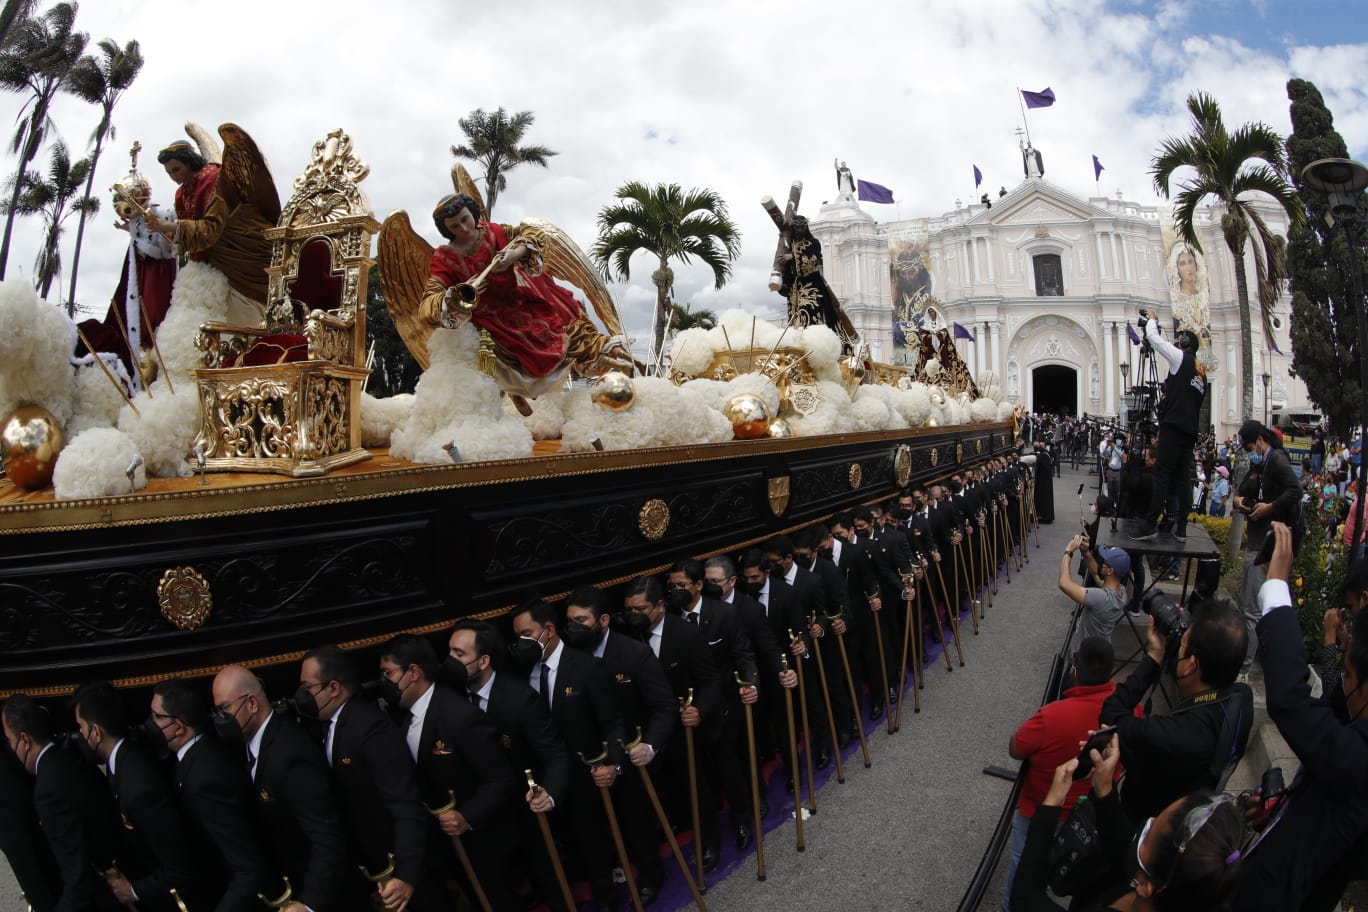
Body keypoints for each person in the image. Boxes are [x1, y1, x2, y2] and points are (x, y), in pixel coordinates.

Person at [1232, 527, 1368, 910]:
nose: (1344, 682)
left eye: (1351, 677)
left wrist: (1276, 589)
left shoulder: (1357, 759)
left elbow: (1293, 703)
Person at [420, 193, 627, 398]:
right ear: (446, 229)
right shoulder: (444, 258)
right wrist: (458, 295)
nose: (464, 229)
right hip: (488, 321)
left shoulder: (495, 233)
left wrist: (514, 254)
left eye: (465, 219)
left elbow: (533, 234)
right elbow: (428, 303)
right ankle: (507, 394)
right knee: (485, 351)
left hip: (519, 303)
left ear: (472, 213)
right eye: (455, 226)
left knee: (561, 323)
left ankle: (525, 390)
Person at [1011, 734, 1248, 911]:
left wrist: (1051, 803)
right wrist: (1104, 790)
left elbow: (1025, 898)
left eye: (1150, 830)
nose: (1144, 825)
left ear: (1146, 886)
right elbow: (1124, 847)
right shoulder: (1185, 885)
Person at [377, 634, 522, 911]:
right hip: (444, 847)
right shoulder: (401, 716)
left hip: (481, 845)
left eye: (388, 673)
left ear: (414, 672)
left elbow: (501, 779)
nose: (385, 682)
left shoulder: (460, 716)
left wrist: (467, 816)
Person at [296, 645, 437, 912]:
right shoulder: (329, 726)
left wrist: (405, 875)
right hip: (373, 867)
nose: (303, 696)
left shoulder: (372, 730)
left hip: (401, 872)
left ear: (334, 688)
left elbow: (406, 805)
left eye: (308, 688)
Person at [1099, 600, 1253, 823]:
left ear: (1191, 665)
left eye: (1181, 645)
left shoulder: (1171, 736)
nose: (1177, 647)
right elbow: (1188, 671)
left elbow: (1110, 715)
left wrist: (1153, 655)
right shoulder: (1241, 700)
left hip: (1139, 830)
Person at [210, 664, 346, 912]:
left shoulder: (291, 754)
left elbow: (326, 836)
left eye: (225, 708)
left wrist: (309, 904)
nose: (220, 718)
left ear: (252, 703)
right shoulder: (246, 747)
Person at [1002, 637, 1119, 909]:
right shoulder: (1128, 710)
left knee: (1024, 864)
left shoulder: (1052, 715)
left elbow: (1016, 748)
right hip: (1089, 811)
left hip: (1041, 807)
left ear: (1074, 670)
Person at [147, 677, 278, 911]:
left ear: (178, 727)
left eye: (158, 717)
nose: (151, 723)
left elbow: (247, 867)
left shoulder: (205, 779)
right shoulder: (195, 758)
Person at [72, 680, 199, 910]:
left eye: (82, 727)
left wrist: (132, 891)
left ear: (96, 732)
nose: (80, 734)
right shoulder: (121, 765)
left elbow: (180, 870)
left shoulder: (139, 788)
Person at [3, 693, 119, 912]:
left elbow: (78, 875)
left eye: (10, 741)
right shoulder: (71, 761)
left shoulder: (47, 792)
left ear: (25, 740)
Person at [154, 137, 277, 307]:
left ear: (189, 163)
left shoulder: (214, 180)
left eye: (177, 169)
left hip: (237, 257)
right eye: (169, 173)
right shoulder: (181, 193)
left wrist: (170, 226)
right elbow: (188, 231)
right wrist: (169, 231)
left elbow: (211, 229)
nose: (173, 176)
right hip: (205, 265)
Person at [1233, 419, 1302, 671]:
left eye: (1251, 447)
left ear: (1261, 441)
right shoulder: (1259, 466)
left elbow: (1295, 490)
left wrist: (1270, 508)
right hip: (1255, 543)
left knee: (1252, 611)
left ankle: (1244, 668)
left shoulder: (1277, 460)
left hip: (1265, 548)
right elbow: (1242, 493)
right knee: (1250, 607)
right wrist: (1239, 501)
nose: (1251, 453)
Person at [1130, 311, 1205, 542]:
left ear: (1184, 344)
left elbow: (1154, 338)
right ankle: (1181, 528)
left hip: (1173, 426)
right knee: (1182, 477)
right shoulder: (1201, 371)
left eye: (1180, 340)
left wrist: (1152, 319)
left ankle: (1150, 523)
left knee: (1162, 474)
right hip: (1190, 430)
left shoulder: (1180, 358)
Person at [774, 215, 857, 347]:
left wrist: (794, 256)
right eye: (796, 227)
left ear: (805, 227)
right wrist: (782, 283)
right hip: (794, 290)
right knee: (794, 321)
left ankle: (818, 345)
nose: (799, 230)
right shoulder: (788, 246)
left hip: (811, 286)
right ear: (793, 229)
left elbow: (812, 260)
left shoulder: (813, 243)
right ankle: (798, 346)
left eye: (802, 226)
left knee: (812, 313)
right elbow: (785, 269)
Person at [1058, 534, 1129, 654]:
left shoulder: (1102, 598)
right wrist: (1086, 553)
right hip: (1096, 655)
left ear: (1110, 571)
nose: (1101, 562)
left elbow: (1064, 583)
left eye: (1104, 562)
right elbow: (1096, 573)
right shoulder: (1121, 592)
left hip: (1083, 661)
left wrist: (1068, 552)